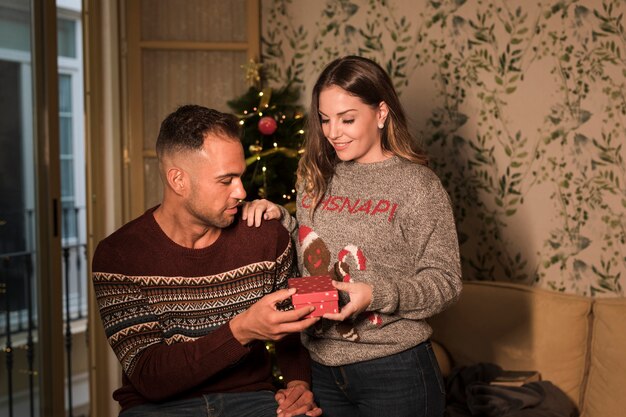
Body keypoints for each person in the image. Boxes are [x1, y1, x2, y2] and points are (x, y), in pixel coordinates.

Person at [242, 55, 463, 417]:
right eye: (325, 119)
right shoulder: (314, 175)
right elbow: (314, 245)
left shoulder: (417, 187)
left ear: (381, 113)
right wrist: (281, 218)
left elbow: (446, 283)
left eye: (347, 119)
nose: (333, 133)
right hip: (321, 368)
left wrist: (375, 294)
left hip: (395, 369)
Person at [91, 104, 323, 417]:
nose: (241, 191)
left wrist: (298, 384)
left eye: (240, 177)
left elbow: (294, 329)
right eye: (226, 180)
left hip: (252, 400)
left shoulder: (266, 237)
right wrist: (240, 330)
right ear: (178, 180)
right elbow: (150, 377)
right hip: (158, 408)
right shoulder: (118, 255)